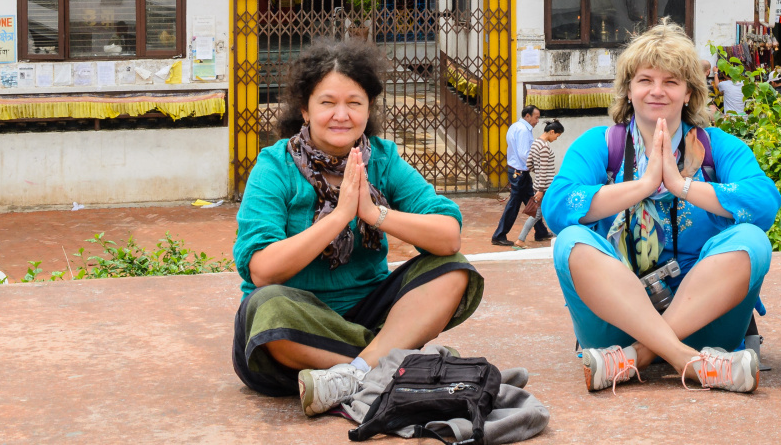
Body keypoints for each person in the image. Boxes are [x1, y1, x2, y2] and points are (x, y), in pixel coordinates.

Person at [232, 40, 483, 418]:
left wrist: (373, 213)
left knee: (452, 269)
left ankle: (355, 374)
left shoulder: (381, 158)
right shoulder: (274, 167)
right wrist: (338, 217)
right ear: (304, 109)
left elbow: (448, 235)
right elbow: (262, 269)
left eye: (354, 103)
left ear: (368, 110)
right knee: (265, 309)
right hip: (301, 326)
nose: (341, 115)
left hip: (369, 315)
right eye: (327, 102)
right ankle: (395, 363)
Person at [542, 23, 781, 394]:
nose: (657, 91)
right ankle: (693, 363)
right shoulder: (603, 145)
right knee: (570, 241)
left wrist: (682, 186)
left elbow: (764, 202)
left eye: (671, 81)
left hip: (705, 318)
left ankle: (637, 357)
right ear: (629, 90)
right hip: (614, 320)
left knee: (752, 240)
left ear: (689, 92)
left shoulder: (716, 146)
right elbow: (556, 207)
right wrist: (641, 186)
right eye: (645, 80)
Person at [490, 104, 544, 246]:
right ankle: (499, 235)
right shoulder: (523, 130)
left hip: (518, 171)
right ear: (528, 116)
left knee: (531, 199)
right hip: (519, 172)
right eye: (536, 117)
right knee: (514, 204)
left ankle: (541, 231)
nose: (537, 121)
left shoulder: (516, 126)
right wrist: (536, 166)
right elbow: (523, 153)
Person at [515, 119, 564, 244]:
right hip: (546, 187)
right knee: (546, 213)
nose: (556, 139)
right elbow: (543, 170)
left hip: (540, 185)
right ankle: (521, 240)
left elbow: (529, 164)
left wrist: (538, 177)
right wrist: (541, 189)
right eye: (557, 136)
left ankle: (555, 236)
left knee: (544, 213)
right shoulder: (544, 147)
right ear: (551, 132)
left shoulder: (536, 143)